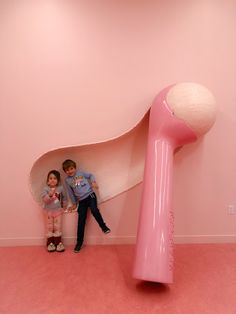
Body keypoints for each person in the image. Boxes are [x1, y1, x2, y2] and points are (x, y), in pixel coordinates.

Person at [62, 159, 110, 253]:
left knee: (94, 210)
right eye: (67, 170)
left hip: (90, 195)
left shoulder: (80, 173)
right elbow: (70, 193)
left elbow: (91, 175)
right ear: (65, 171)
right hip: (81, 201)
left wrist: (93, 182)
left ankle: (103, 226)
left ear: (75, 168)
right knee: (81, 222)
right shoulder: (67, 180)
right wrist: (74, 203)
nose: (70, 171)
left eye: (71, 168)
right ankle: (79, 243)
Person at [41, 170, 67, 252]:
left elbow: (64, 198)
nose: (52, 180)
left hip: (58, 211)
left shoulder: (60, 188)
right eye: (50, 178)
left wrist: (64, 206)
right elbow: (45, 200)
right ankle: (50, 243)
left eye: (55, 178)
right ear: (48, 180)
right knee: (50, 226)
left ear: (58, 180)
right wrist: (49, 195)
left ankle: (58, 242)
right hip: (48, 211)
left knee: (57, 226)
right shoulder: (46, 189)